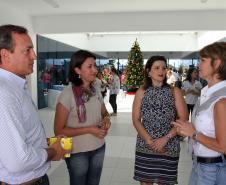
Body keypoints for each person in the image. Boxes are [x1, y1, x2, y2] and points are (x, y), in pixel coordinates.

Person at [0, 24, 69, 185]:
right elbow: (18, 161)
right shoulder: (5, 93)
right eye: (27, 50)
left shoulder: (15, 88)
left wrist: (43, 142)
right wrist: (54, 151)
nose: (35, 56)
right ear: (5, 55)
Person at [54, 50, 111, 185]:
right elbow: (58, 130)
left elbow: (104, 112)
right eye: (89, 66)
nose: (95, 70)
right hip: (77, 152)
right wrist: (90, 129)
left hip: (99, 147)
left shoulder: (95, 90)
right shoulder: (66, 95)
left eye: (95, 66)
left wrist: (107, 119)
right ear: (77, 70)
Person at [173, 42, 226, 185]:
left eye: (202, 60)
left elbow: (223, 146)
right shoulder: (206, 93)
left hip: (212, 168)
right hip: (199, 164)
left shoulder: (222, 100)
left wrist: (194, 134)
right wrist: (187, 128)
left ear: (217, 63)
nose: (198, 64)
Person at [132, 55, 188, 185]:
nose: (161, 71)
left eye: (163, 68)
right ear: (148, 71)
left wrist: (165, 139)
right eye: (156, 68)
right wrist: (150, 141)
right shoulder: (141, 91)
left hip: (169, 145)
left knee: (165, 182)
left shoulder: (175, 91)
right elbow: (135, 120)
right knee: (145, 182)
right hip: (145, 144)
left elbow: (183, 119)